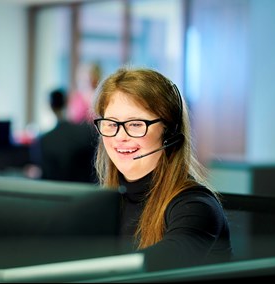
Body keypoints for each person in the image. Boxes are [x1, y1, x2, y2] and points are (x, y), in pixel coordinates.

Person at [91, 67, 233, 271]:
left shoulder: (197, 207)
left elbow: (160, 265)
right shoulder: (105, 205)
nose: (120, 136)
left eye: (135, 124)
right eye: (111, 124)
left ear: (169, 133)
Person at [30, 88, 97, 183]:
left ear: (50, 106)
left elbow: (44, 174)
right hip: (85, 191)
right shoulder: (87, 132)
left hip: (56, 194)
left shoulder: (44, 140)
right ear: (67, 102)